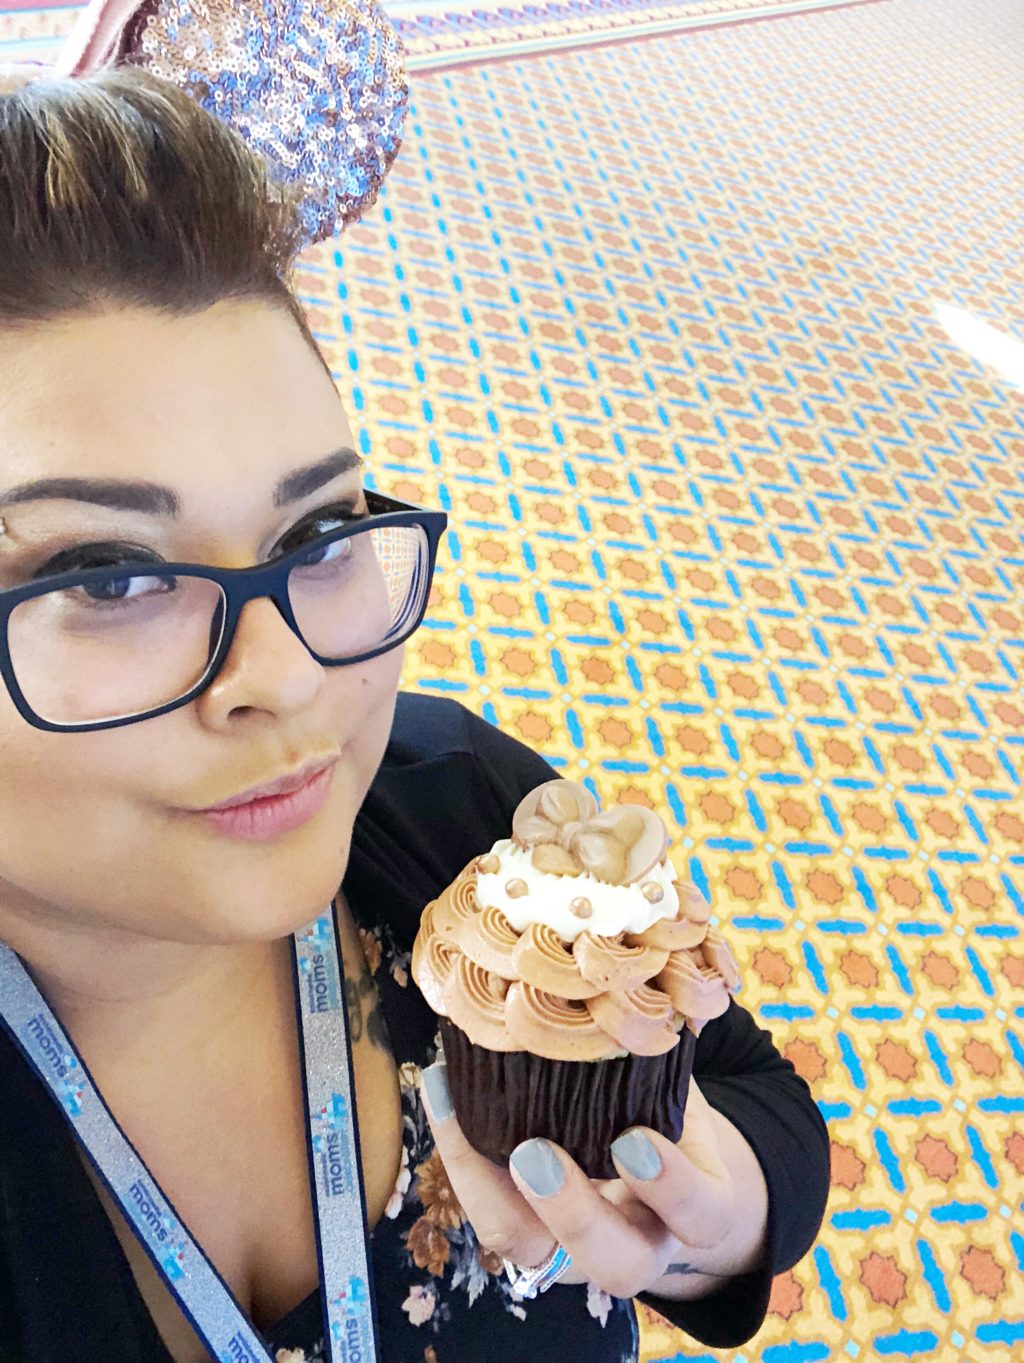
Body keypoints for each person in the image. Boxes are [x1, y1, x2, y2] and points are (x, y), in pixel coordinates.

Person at [0, 66, 831, 1363]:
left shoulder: (464, 811)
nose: (287, 679)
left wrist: (707, 1224)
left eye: (322, 530)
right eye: (107, 578)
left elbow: (750, 1094)